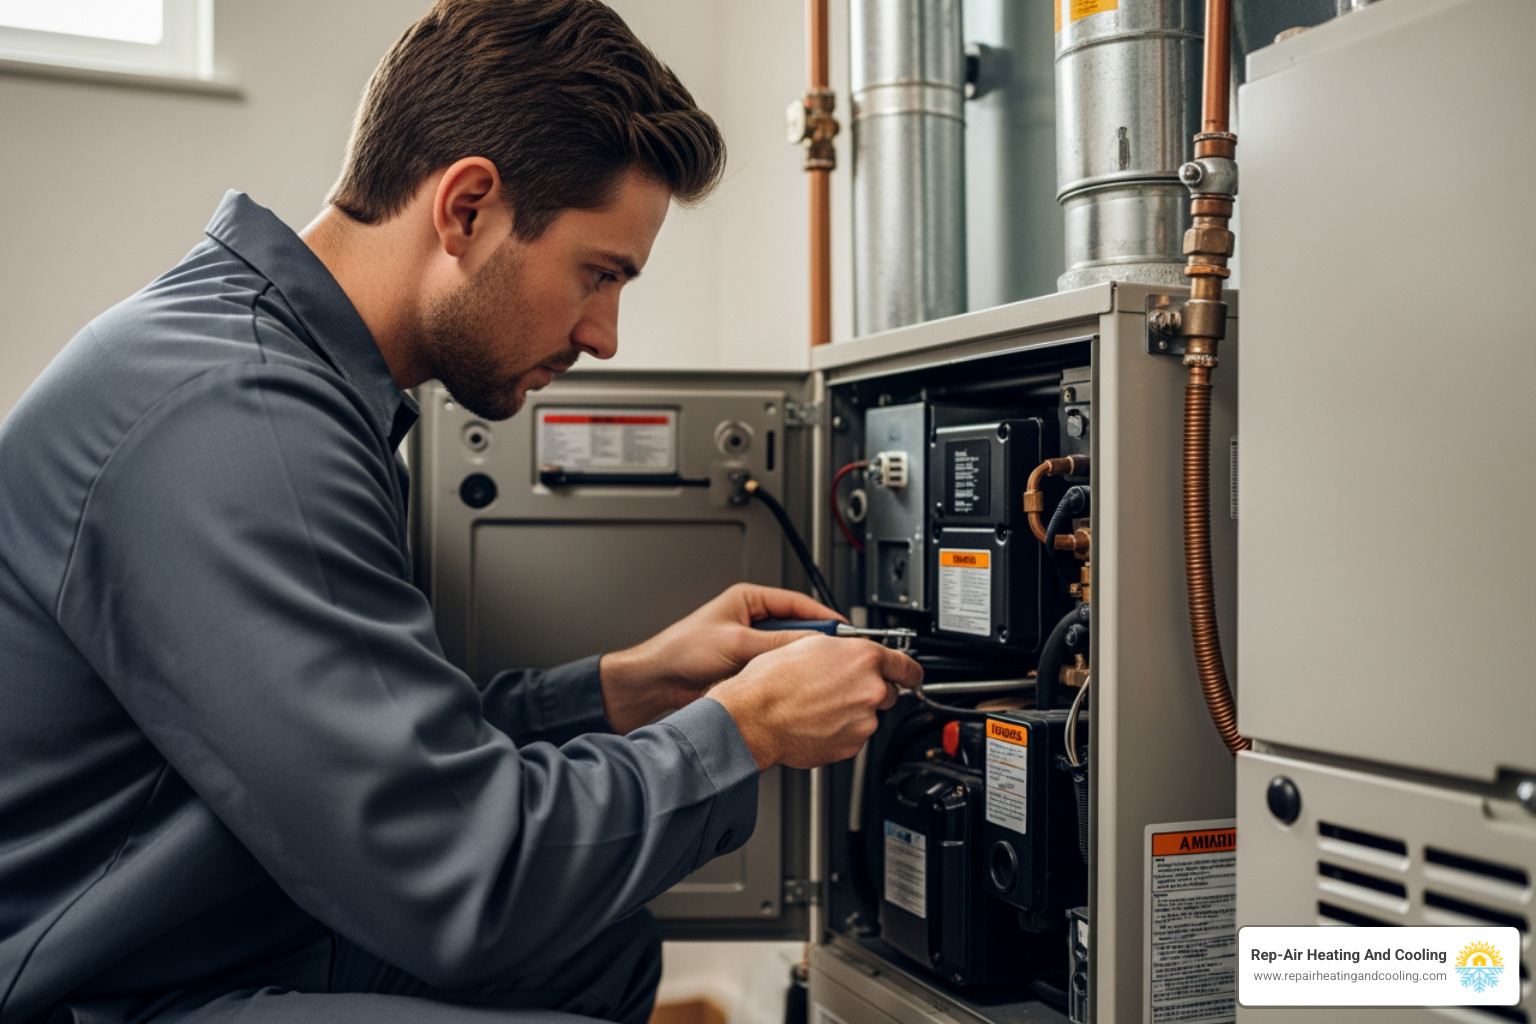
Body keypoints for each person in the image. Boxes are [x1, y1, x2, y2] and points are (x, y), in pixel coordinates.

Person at [0, 1, 922, 1022]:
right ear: (468, 207)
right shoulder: (238, 419)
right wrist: (743, 728)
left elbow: (371, 752)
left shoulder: (281, 377)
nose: (605, 335)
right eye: (599, 273)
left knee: (596, 948)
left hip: (197, 915)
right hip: (90, 988)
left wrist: (628, 685)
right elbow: (456, 871)